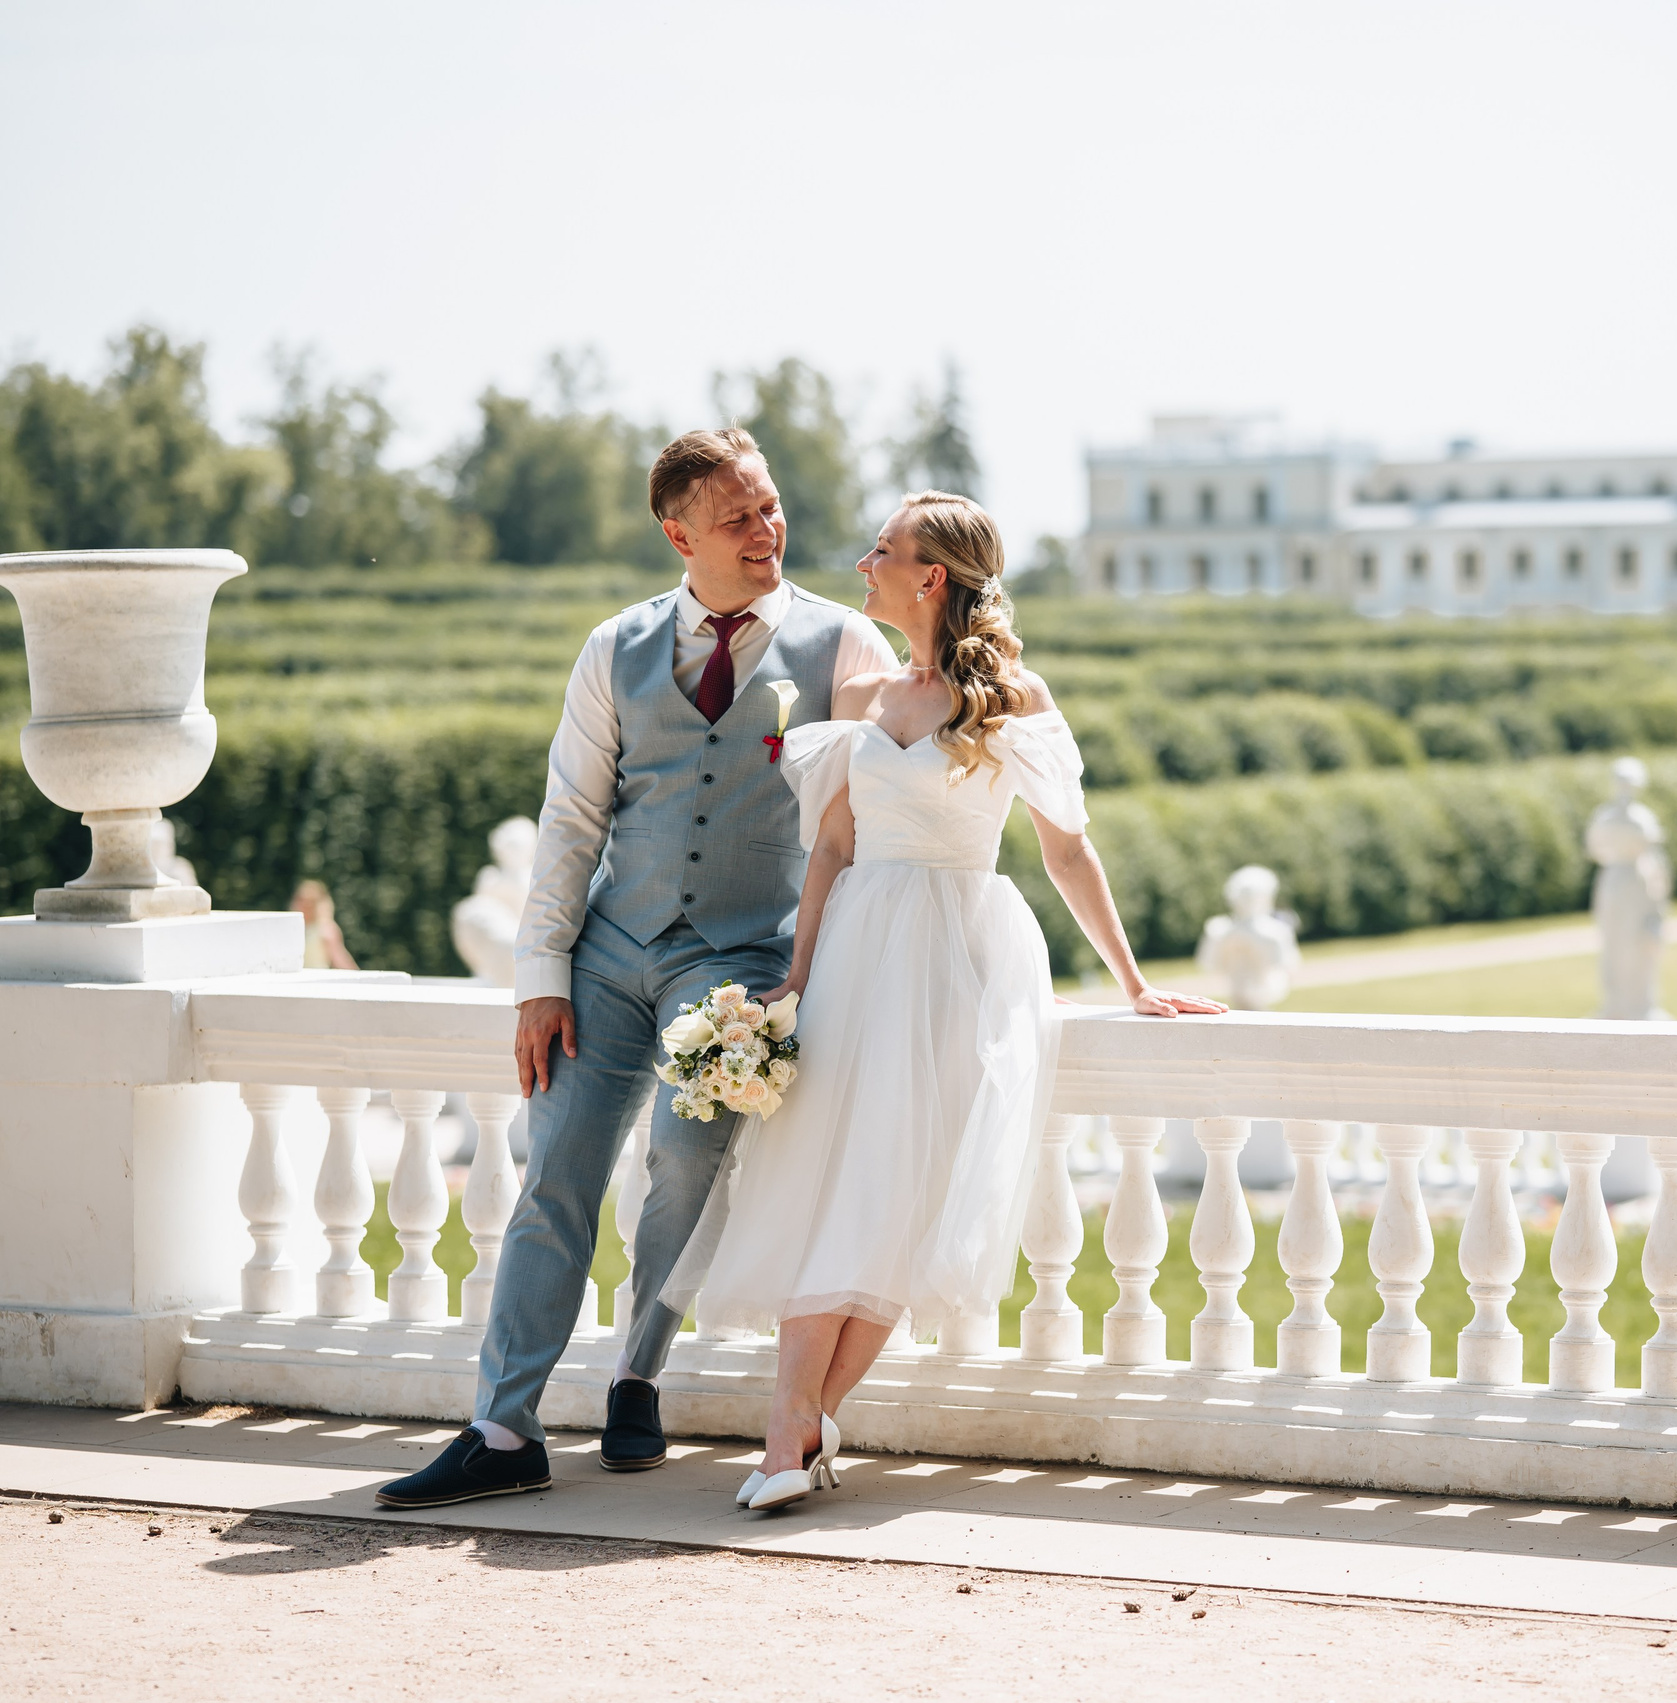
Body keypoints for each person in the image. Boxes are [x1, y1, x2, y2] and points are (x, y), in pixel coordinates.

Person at [668, 490, 1222, 1513]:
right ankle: (796, 1427)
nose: (862, 560)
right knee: (818, 1180)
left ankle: (799, 1426)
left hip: (960, 960)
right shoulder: (866, 694)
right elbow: (831, 845)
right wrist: (797, 975)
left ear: (931, 575)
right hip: (855, 958)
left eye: (883, 549)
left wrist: (1134, 982)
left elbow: (1066, 847)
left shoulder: (1013, 696)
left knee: (899, 1193)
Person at [378, 428, 898, 1508]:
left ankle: (635, 1373)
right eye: (738, 517)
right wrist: (541, 972)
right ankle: (501, 1428)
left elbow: (866, 828)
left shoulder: (842, 645)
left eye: (770, 506)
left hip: (741, 966)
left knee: (682, 1163)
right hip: (612, 952)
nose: (767, 530)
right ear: (680, 533)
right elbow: (571, 816)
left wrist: (812, 974)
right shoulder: (613, 646)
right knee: (551, 1173)